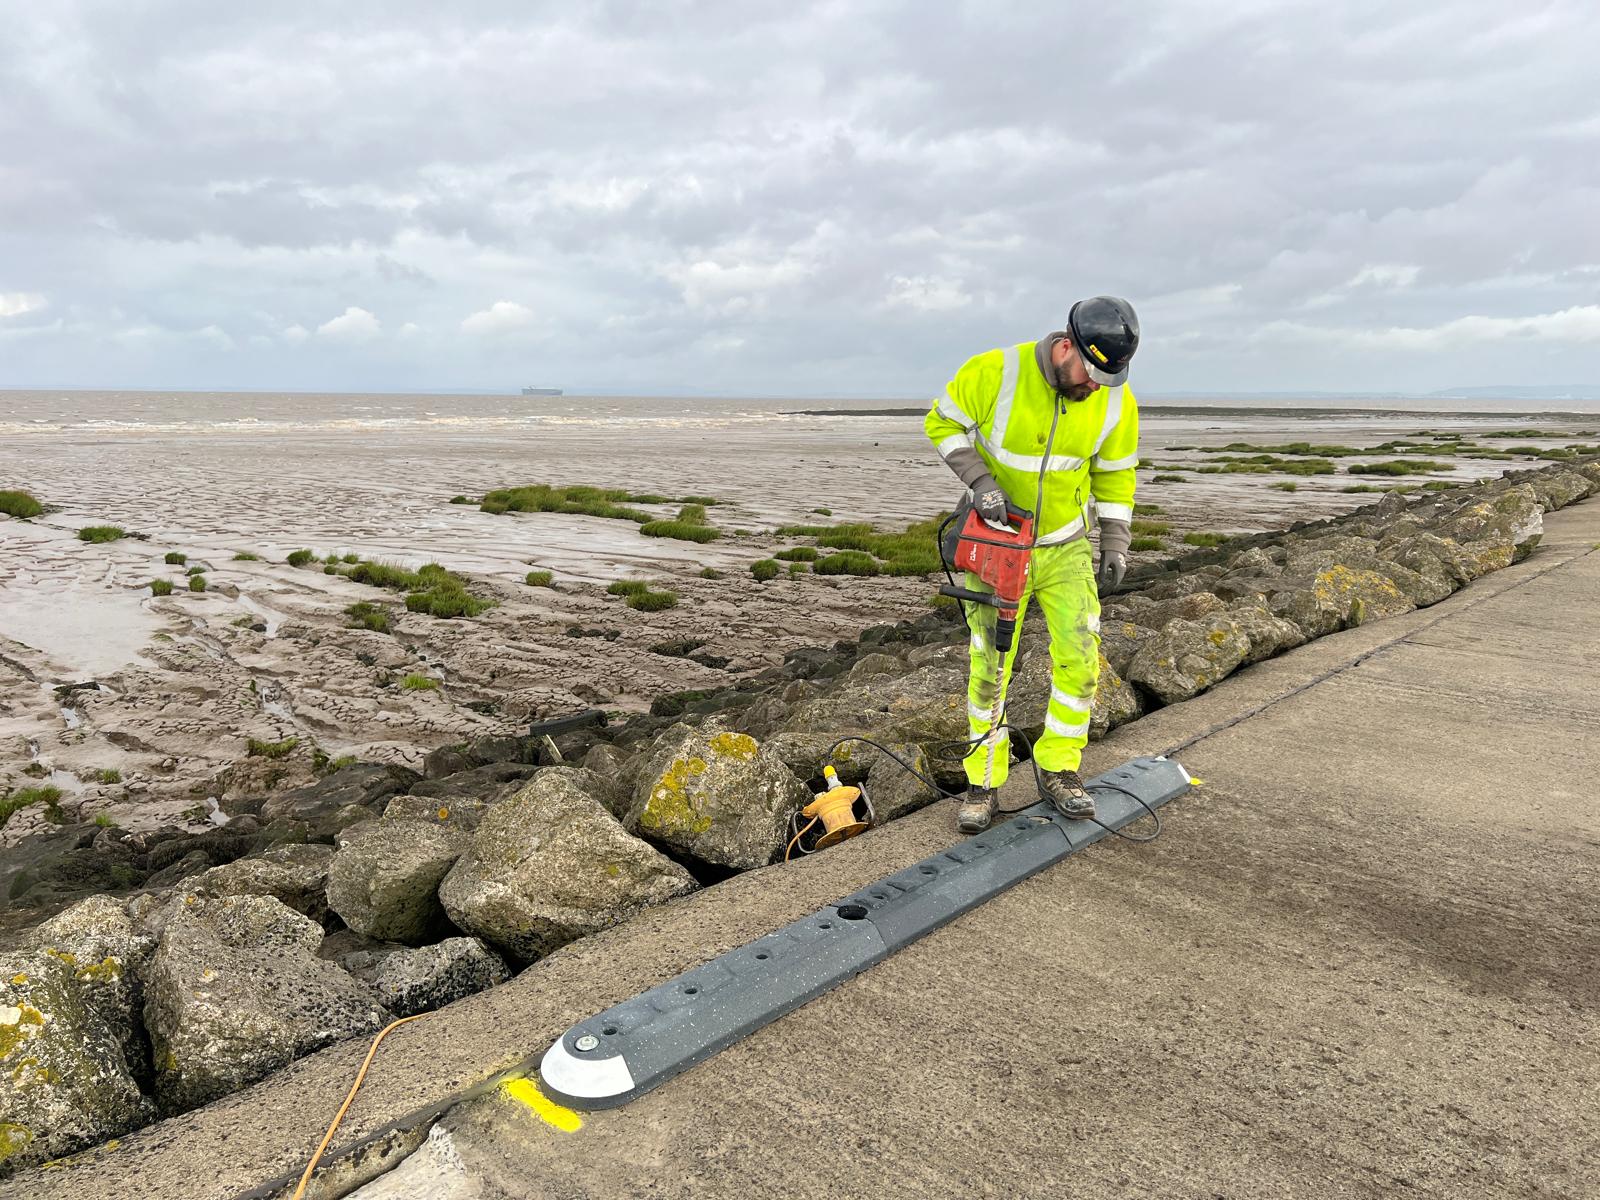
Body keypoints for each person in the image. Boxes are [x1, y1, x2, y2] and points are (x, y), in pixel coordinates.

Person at [924, 296, 1140, 832]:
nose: (1095, 387)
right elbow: (942, 422)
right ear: (1066, 347)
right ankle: (984, 781)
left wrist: (1115, 539)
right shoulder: (995, 371)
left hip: (1065, 547)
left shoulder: (1114, 401)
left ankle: (1060, 767)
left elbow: (1114, 473)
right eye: (1089, 374)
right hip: (999, 546)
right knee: (989, 666)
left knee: (1081, 656)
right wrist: (981, 484)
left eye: (1105, 379)